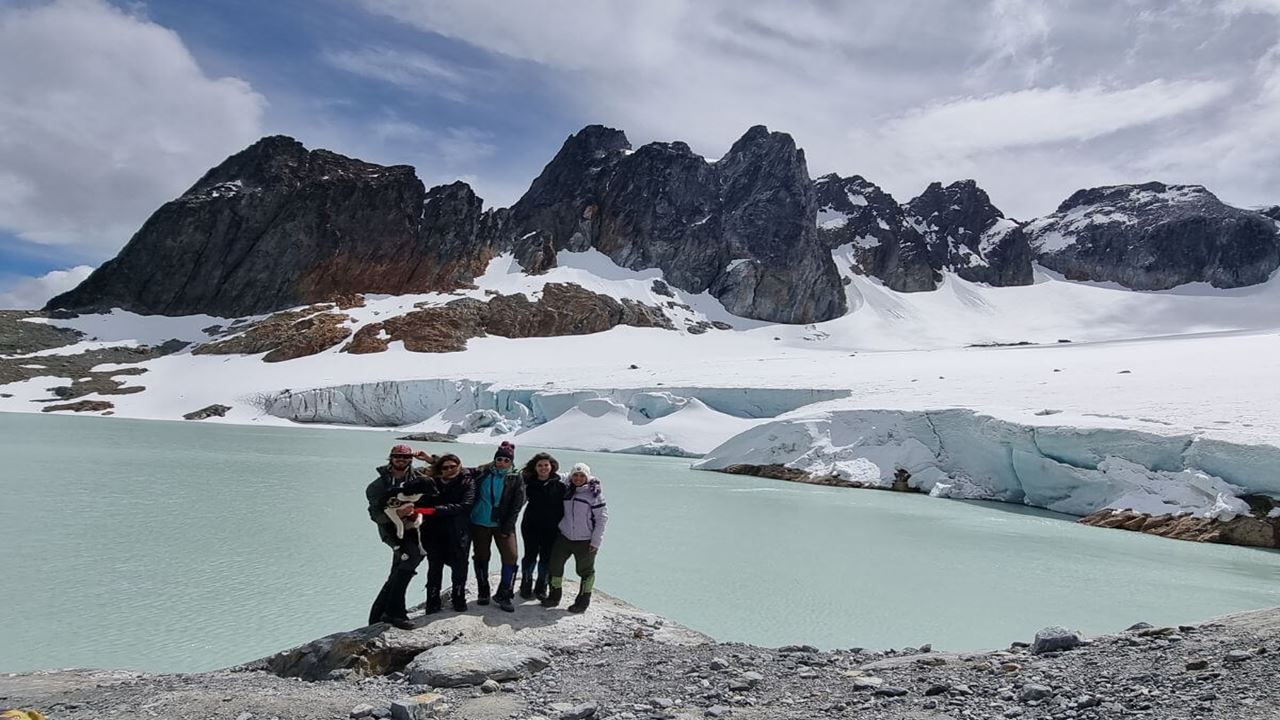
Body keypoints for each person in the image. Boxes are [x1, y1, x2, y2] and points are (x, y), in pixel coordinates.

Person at [364, 444, 434, 629]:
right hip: (393, 532)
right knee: (409, 561)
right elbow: (375, 514)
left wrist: (429, 459)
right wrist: (397, 514)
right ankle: (397, 613)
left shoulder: (419, 476)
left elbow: (449, 469)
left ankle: (379, 614)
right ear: (391, 458)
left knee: (400, 569)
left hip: (416, 529)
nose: (401, 460)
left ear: (411, 459)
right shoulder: (377, 486)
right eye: (397, 457)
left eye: (405, 457)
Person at [541, 462, 608, 613]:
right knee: (555, 566)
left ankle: (583, 601)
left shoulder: (594, 494)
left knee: (585, 571)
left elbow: (602, 519)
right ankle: (554, 596)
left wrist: (596, 541)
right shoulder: (568, 489)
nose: (578, 478)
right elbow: (562, 476)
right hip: (564, 536)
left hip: (585, 540)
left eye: (582, 475)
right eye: (575, 475)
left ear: (588, 477)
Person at [469, 441, 526, 612]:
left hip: (503, 524)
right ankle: (483, 590)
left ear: (511, 462)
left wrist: (507, 527)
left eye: (506, 460)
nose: (502, 462)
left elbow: (517, 504)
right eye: (499, 459)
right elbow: (457, 471)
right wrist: (431, 460)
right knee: (481, 555)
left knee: (511, 556)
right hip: (479, 521)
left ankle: (504, 593)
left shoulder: (515, 477)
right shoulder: (482, 473)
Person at [421, 453, 476, 612]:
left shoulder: (467, 481)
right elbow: (422, 500)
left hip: (459, 532)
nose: (450, 470)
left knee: (459, 567)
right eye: (445, 467)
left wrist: (434, 511)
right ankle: (432, 601)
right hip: (434, 532)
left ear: (459, 466)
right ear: (440, 469)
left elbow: (465, 505)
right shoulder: (432, 483)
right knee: (434, 568)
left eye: (453, 466)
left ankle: (459, 599)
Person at [518, 452, 565, 600]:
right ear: (535, 467)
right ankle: (526, 583)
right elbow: (518, 501)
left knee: (546, 557)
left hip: (552, 528)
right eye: (540, 465)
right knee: (530, 555)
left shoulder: (561, 485)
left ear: (552, 467)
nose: (543, 468)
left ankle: (541, 585)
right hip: (530, 525)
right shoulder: (528, 483)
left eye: (546, 465)